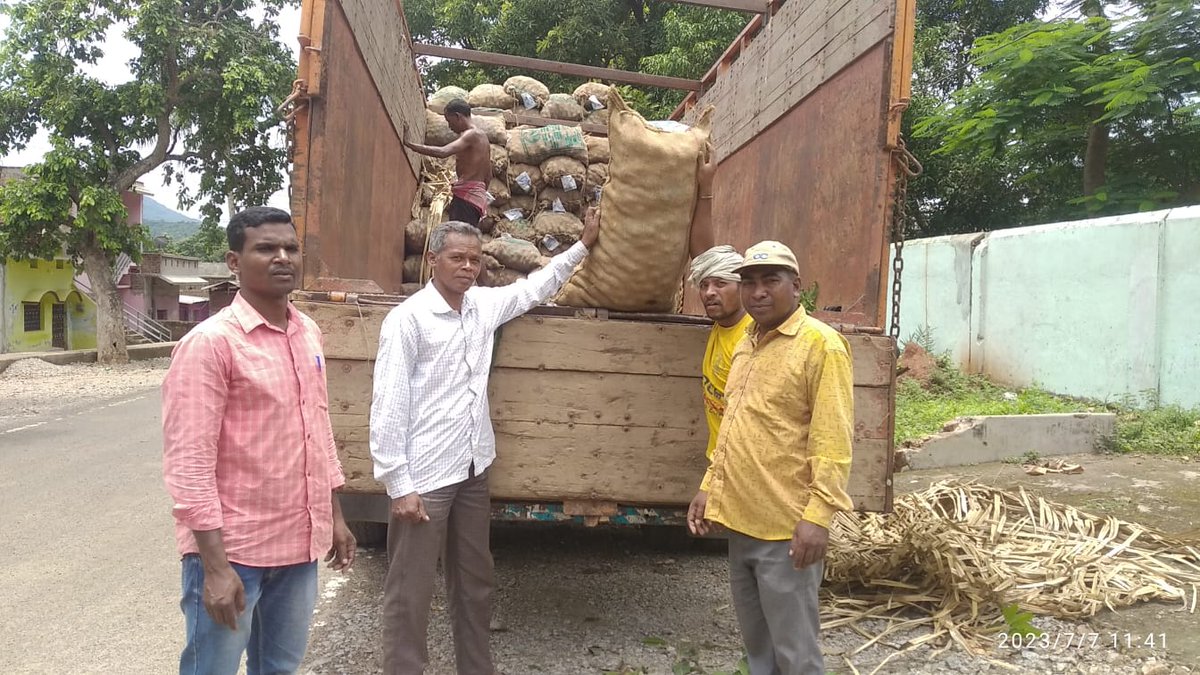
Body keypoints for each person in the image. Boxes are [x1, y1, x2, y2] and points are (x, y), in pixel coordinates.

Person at [370, 210, 601, 675]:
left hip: (473, 469)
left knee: (475, 582)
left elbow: (534, 287)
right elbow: (388, 404)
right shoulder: (408, 321)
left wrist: (582, 245)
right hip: (426, 477)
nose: (467, 267)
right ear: (432, 259)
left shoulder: (482, 307)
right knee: (410, 590)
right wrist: (399, 484)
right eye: (457, 258)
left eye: (474, 260)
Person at [162, 206, 357, 675]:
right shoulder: (211, 344)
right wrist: (214, 568)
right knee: (212, 669)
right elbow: (189, 464)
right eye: (266, 249)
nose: (282, 257)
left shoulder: (307, 332)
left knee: (279, 668)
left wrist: (335, 516)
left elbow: (318, 431)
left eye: (290, 248)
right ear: (234, 262)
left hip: (295, 548)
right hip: (235, 553)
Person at [686, 241, 854, 675]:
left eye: (770, 281)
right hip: (740, 520)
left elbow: (833, 441)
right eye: (750, 282)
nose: (758, 292)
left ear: (796, 286)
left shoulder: (821, 346)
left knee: (796, 653)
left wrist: (817, 517)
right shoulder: (746, 342)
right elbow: (732, 427)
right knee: (759, 650)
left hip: (785, 529)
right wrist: (709, 487)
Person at [688, 245, 752, 459]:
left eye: (721, 283)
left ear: (742, 287)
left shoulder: (749, 339)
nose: (709, 292)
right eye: (704, 285)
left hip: (738, 464)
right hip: (720, 461)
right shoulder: (722, 324)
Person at [403, 98, 491, 226]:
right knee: (464, 237)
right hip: (475, 199)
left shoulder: (471, 135)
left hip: (466, 199)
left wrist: (410, 144)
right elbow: (489, 176)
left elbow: (443, 152)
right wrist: (478, 194)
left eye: (449, 121)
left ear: (457, 116)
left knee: (457, 239)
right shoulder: (484, 139)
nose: (450, 127)